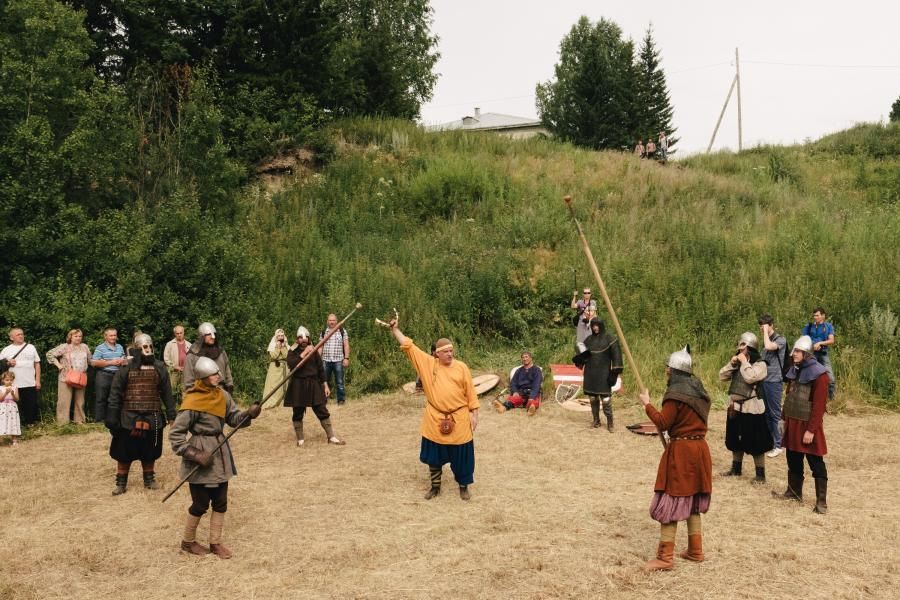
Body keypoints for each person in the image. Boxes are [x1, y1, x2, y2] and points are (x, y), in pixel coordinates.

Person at [170, 356, 261, 558]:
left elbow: (234, 419)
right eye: (214, 374)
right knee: (200, 504)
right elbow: (176, 436)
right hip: (201, 453)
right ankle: (188, 542)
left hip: (220, 453)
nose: (218, 376)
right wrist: (194, 453)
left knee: (221, 501)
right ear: (203, 377)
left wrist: (249, 414)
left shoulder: (223, 396)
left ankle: (215, 543)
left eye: (218, 373)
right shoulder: (192, 401)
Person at [385, 315, 479, 501]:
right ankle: (435, 487)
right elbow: (409, 346)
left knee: (462, 456)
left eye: (452, 351)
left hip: (459, 418)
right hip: (435, 418)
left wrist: (474, 413)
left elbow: (471, 393)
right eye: (446, 352)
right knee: (434, 457)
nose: (450, 354)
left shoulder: (462, 368)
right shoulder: (428, 364)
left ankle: (463, 486)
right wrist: (395, 330)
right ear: (437, 353)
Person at [638, 345, 712, 571]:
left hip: (682, 452)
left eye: (668, 369)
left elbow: (662, 423)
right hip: (699, 449)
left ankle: (665, 558)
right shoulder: (698, 390)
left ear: (675, 371)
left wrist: (647, 404)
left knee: (672, 498)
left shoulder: (675, 395)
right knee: (691, 501)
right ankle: (695, 551)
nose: (666, 372)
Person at [104, 334, 175, 494]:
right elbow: (115, 393)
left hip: (153, 416)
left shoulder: (159, 367)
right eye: (144, 347)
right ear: (136, 349)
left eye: (150, 346)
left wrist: (171, 415)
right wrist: (112, 416)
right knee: (124, 452)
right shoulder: (126, 368)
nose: (148, 350)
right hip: (128, 417)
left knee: (150, 451)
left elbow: (167, 393)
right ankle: (121, 482)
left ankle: (149, 479)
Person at [775, 336, 829, 514]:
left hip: (807, 425)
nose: (793, 354)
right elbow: (789, 395)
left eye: (797, 351)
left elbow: (819, 406)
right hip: (793, 421)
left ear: (806, 353)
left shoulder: (819, 374)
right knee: (793, 458)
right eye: (794, 351)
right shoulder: (795, 370)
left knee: (815, 462)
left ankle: (821, 502)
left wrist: (811, 430)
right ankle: (794, 491)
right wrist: (783, 418)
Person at [719, 332, 773, 483]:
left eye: (743, 347)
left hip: (752, 407)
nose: (740, 350)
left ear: (750, 348)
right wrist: (733, 364)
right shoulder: (738, 363)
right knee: (734, 438)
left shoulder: (761, 364)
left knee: (757, 442)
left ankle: (760, 475)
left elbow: (751, 378)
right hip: (735, 407)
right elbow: (722, 376)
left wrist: (744, 363)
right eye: (740, 347)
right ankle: (736, 469)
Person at [284, 326, 344, 446]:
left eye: (305, 338)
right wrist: (304, 353)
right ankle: (300, 439)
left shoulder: (314, 349)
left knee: (321, 409)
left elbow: (320, 369)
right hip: (298, 384)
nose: (303, 340)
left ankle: (331, 437)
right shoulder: (292, 351)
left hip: (313, 383)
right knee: (298, 412)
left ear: (309, 338)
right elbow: (291, 365)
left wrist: (325, 385)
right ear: (297, 339)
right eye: (300, 338)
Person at [576, 317, 623, 431]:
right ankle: (596, 420)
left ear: (601, 325)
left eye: (597, 325)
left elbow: (617, 357)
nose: (595, 327)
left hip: (604, 374)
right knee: (592, 398)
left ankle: (610, 422)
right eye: (593, 325)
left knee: (606, 399)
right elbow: (582, 357)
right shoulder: (588, 340)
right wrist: (579, 358)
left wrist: (614, 373)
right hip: (590, 373)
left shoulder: (610, 338)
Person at [46, 329, 92, 425]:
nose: (78, 338)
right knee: (64, 400)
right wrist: (58, 365)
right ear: (70, 337)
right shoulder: (65, 347)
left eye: (80, 336)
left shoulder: (84, 347)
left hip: (81, 377)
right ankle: (62, 423)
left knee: (80, 400)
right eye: (76, 336)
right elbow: (50, 354)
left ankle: (79, 421)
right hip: (66, 377)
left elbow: (90, 360)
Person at [758, 315, 787, 457]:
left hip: (775, 381)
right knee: (766, 413)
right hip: (764, 380)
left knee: (775, 413)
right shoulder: (765, 341)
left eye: (764, 325)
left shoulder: (780, 340)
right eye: (760, 326)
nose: (761, 328)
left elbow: (769, 347)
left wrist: (765, 332)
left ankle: (779, 444)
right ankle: (772, 441)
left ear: (771, 325)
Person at [1, 328, 41, 426]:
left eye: (22, 334)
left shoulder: (31, 347)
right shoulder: (7, 349)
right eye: (18, 334)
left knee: (30, 405)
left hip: (29, 382)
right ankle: (13, 426)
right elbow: (0, 365)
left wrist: (38, 380)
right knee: (13, 406)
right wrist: (8, 363)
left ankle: (30, 425)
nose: (21, 336)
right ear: (11, 337)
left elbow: (37, 364)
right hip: (12, 384)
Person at [183, 322, 234, 392]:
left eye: (214, 334)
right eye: (209, 334)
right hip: (202, 393)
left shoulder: (221, 352)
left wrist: (230, 387)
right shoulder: (192, 355)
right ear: (201, 336)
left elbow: (227, 371)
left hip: (221, 391)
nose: (213, 337)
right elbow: (188, 380)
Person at [91, 328, 128, 423]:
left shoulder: (119, 347)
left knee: (116, 398)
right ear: (105, 336)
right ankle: (99, 420)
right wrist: (111, 362)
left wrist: (123, 361)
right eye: (111, 335)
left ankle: (113, 419)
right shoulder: (100, 348)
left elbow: (124, 359)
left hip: (117, 376)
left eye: (115, 335)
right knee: (101, 398)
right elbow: (94, 363)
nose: (113, 337)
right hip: (104, 375)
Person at [493, 351, 543, 416]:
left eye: (526, 357)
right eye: (523, 357)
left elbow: (536, 384)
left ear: (531, 358)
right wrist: (515, 391)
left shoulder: (536, 370)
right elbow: (513, 383)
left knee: (533, 401)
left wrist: (532, 396)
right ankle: (503, 408)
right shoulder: (519, 371)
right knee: (513, 399)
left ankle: (531, 410)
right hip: (521, 392)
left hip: (532, 391)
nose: (524, 359)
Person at [801, 307, 835, 401]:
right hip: (811, 354)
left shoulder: (828, 326)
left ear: (823, 316)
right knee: (809, 378)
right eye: (814, 315)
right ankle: (808, 399)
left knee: (830, 378)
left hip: (823, 354)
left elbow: (831, 340)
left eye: (817, 315)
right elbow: (803, 339)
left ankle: (831, 400)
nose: (815, 317)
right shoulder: (809, 326)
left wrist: (820, 343)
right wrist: (813, 345)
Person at [318, 314, 350, 405]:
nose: (332, 322)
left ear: (337, 321)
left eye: (333, 320)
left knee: (339, 382)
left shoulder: (342, 331)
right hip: (325, 360)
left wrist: (346, 358)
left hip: (338, 360)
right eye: (330, 320)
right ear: (327, 321)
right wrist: (318, 359)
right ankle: (323, 400)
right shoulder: (324, 332)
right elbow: (320, 346)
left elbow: (346, 345)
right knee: (324, 381)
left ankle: (341, 400)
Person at [261, 328, 289, 409]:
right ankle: (270, 404)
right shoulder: (272, 345)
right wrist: (277, 348)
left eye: (282, 335)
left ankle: (280, 403)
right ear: (276, 337)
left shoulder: (286, 345)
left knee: (283, 386)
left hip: (284, 368)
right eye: (279, 335)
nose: (280, 337)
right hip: (275, 368)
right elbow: (274, 356)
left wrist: (283, 347)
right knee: (273, 386)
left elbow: (286, 356)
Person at [163, 325, 191, 404]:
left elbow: (192, 359)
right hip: (173, 372)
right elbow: (166, 358)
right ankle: (172, 409)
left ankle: (184, 408)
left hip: (185, 372)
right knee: (172, 391)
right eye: (177, 333)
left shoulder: (189, 345)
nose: (179, 335)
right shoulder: (170, 344)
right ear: (175, 334)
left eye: (180, 333)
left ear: (183, 333)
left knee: (184, 391)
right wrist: (174, 366)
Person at [0, 371, 21, 445]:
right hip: (3, 408)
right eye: (7, 380)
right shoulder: (1, 388)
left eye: (11, 380)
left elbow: (17, 399)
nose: (9, 382)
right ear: (3, 380)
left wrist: (12, 394)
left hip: (12, 407)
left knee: (13, 422)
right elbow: (0, 399)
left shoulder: (15, 388)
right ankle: (1, 440)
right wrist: (5, 392)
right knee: (2, 422)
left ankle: (14, 439)